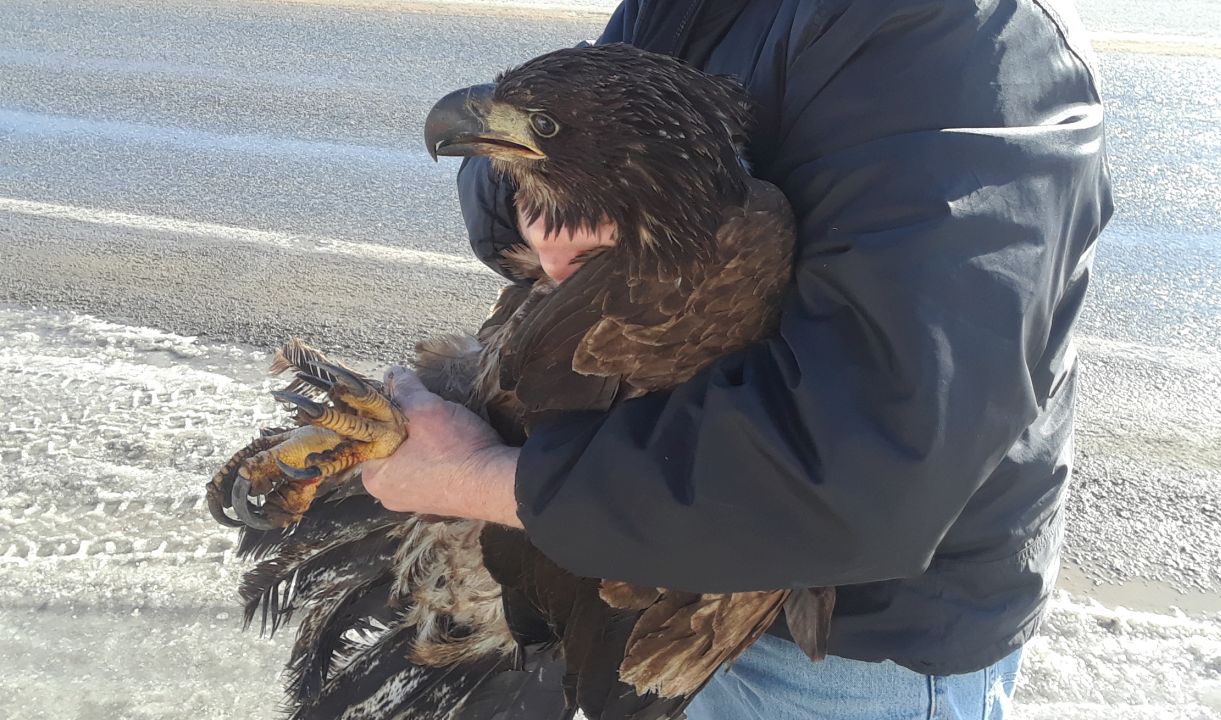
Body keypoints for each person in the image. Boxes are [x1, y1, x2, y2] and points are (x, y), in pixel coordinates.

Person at [362, 0, 1114, 717]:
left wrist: (480, 480)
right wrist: (539, 196)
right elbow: (576, 122)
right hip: (658, 566)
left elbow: (872, 461)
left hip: (837, 655)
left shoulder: (958, 37)